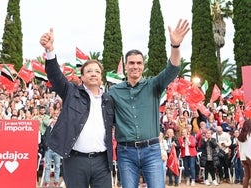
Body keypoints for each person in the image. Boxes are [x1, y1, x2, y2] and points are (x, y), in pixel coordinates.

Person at [108, 19, 190, 188]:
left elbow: (173, 69)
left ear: (143, 65)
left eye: (139, 63)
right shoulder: (114, 92)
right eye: (131, 63)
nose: (135, 66)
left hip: (151, 150)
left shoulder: (153, 85)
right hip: (125, 152)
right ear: (125, 65)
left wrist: (175, 46)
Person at [39, 28, 115, 188]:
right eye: (89, 71)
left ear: (102, 76)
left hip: (102, 161)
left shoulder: (109, 99)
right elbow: (55, 76)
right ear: (82, 77)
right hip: (75, 161)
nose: (93, 74)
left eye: (97, 71)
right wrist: (50, 51)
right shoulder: (71, 92)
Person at [42, 115, 62, 187]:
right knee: (47, 166)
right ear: (52, 120)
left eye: (56, 119)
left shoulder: (60, 129)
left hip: (56, 150)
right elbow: (43, 137)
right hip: (48, 150)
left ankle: (56, 182)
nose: (55, 120)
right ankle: (46, 182)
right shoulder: (48, 128)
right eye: (54, 119)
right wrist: (46, 143)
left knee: (57, 166)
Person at [238, 119, 251, 188]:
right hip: (250, 156)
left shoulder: (240, 136)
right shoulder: (249, 135)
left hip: (243, 158)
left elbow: (240, 148)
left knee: (246, 176)